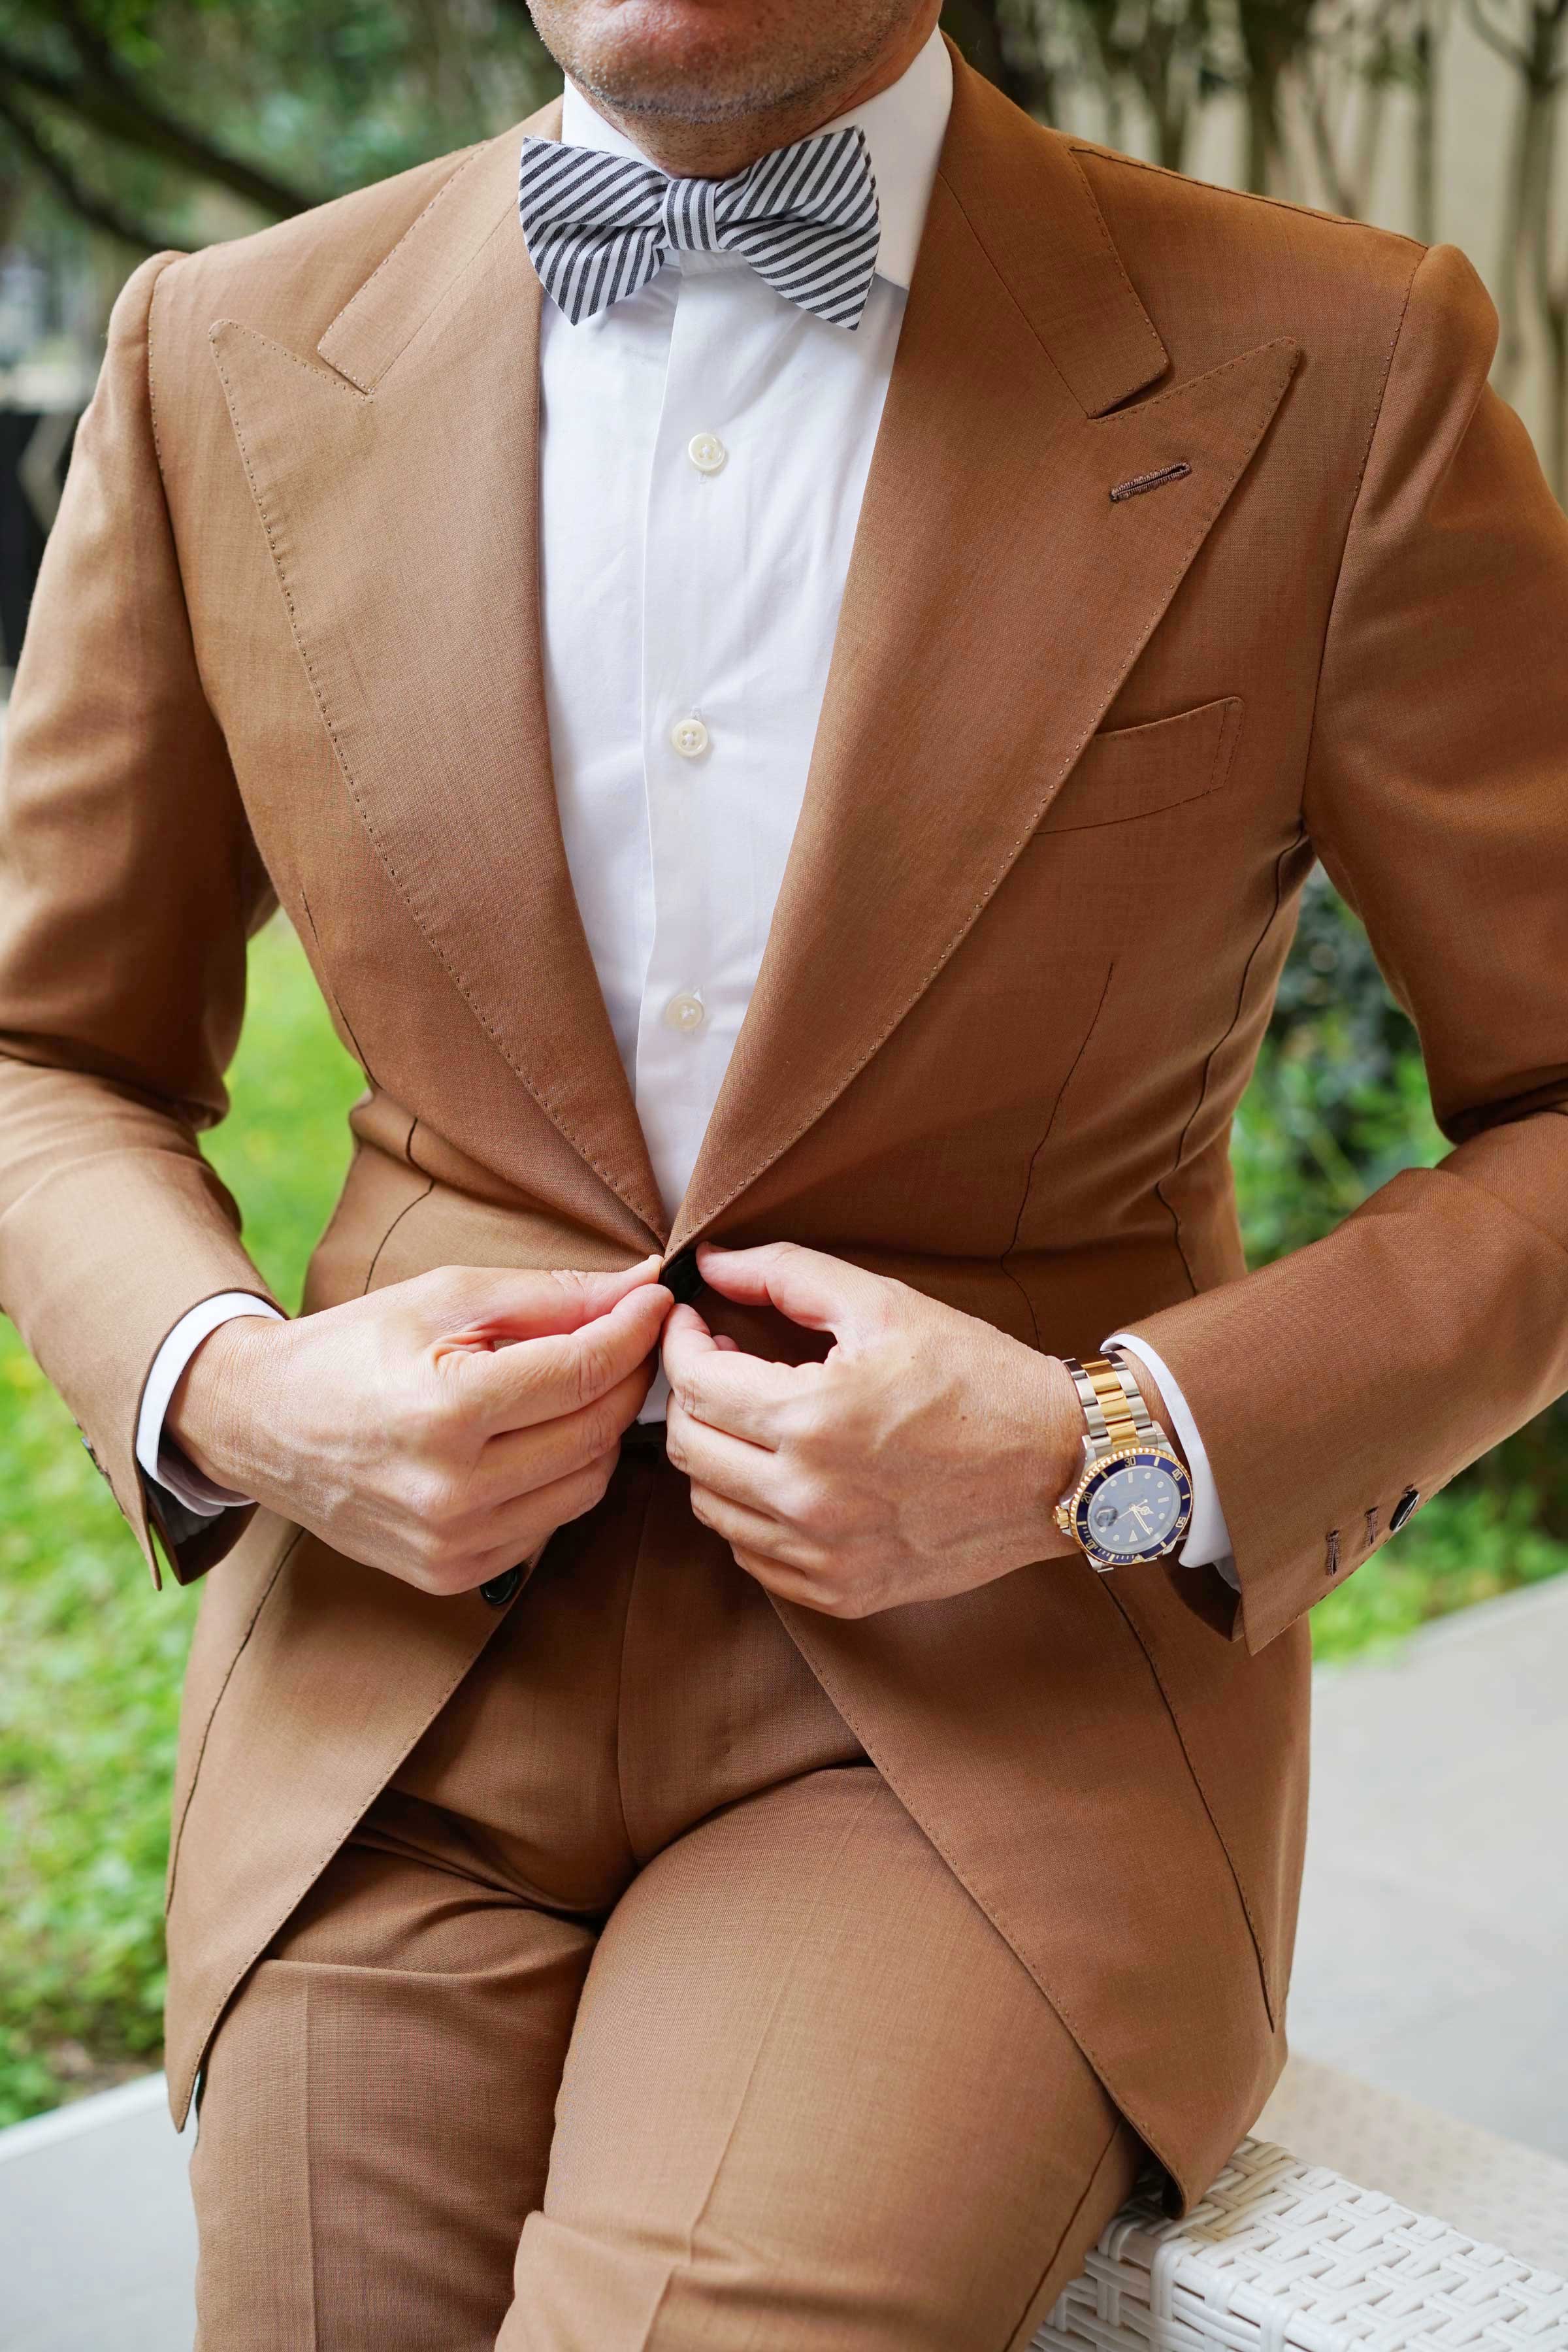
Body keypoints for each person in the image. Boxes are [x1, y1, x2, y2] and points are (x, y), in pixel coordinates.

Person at [3, 0, 1567, 2342]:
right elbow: (44, 1045)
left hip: (981, 1713)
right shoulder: (214, 349)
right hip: (387, 1686)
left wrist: (1103, 1447)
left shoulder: (1339, 368)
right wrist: (243, 1395)